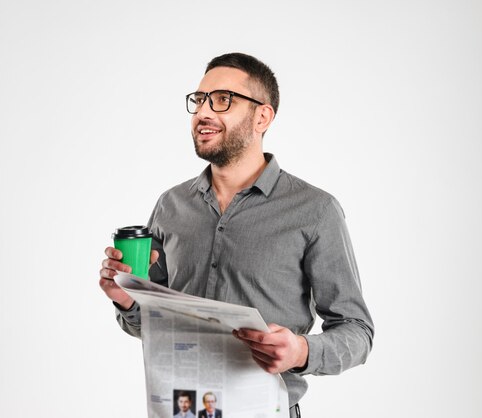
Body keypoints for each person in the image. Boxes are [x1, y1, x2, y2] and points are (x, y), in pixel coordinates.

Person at [99, 52, 374, 418]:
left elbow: (357, 332)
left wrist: (300, 351)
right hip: (180, 410)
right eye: (199, 100)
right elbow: (153, 326)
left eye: (222, 100)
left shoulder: (315, 210)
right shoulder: (171, 205)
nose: (203, 113)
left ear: (263, 116)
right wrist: (128, 300)